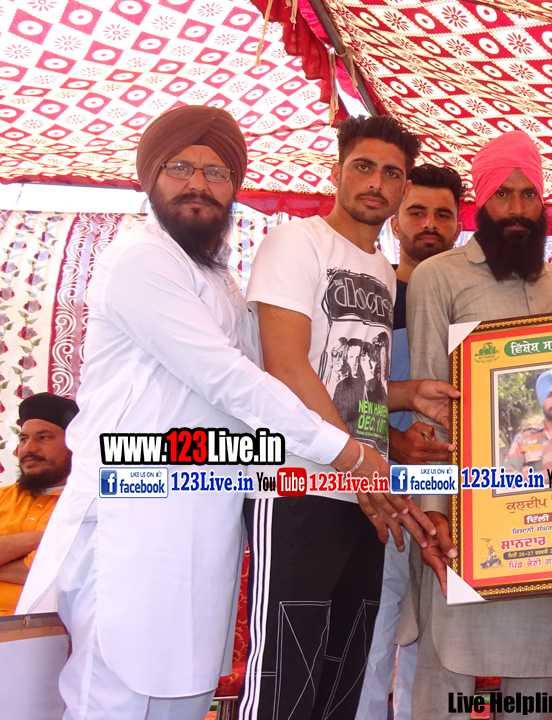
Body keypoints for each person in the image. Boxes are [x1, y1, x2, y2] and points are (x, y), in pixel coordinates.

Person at [16, 105, 422, 720]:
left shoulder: (220, 280)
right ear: (150, 176)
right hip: (135, 516)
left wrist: (394, 416)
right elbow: (232, 379)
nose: (199, 185)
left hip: (207, 518)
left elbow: (282, 379)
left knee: (188, 692)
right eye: (181, 168)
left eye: (216, 172)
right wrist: (350, 456)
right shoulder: (142, 259)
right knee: (115, 695)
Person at [241, 114, 455, 720]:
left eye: (392, 173)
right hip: (297, 482)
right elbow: (287, 367)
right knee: (285, 678)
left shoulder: (382, 271)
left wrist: (408, 394)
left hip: (362, 496)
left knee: (342, 676)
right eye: (364, 166)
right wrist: (361, 462)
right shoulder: (296, 242)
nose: (377, 182)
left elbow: (355, 383)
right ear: (336, 171)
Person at [403, 129, 552, 720]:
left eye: (529, 194)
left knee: (536, 678)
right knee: (447, 673)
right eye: (503, 194)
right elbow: (426, 409)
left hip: (538, 516)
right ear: (481, 201)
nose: (517, 208)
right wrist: (434, 517)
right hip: (462, 513)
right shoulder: (439, 276)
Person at [356, 164, 465, 720]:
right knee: (377, 634)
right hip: (380, 491)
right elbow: (340, 389)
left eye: (443, 214)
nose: (429, 224)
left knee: (437, 639)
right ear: (395, 218)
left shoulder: (467, 298)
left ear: (459, 224)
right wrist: (391, 440)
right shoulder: (371, 295)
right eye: (417, 211)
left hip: (456, 496)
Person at [1, 393, 78, 615]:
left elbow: (59, 574)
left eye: (43, 437)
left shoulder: (87, 504)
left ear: (74, 443)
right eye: (24, 439)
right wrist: (39, 537)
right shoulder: (3, 497)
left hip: (47, 632)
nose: (29, 449)